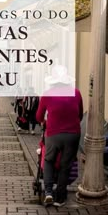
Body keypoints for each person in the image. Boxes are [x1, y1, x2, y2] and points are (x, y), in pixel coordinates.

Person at [36, 65, 83, 207]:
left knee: (49, 161)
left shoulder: (47, 94)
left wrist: (45, 122)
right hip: (73, 134)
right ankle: (60, 198)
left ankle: (49, 193)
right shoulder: (76, 92)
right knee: (65, 166)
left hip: (53, 134)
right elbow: (80, 114)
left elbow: (38, 116)